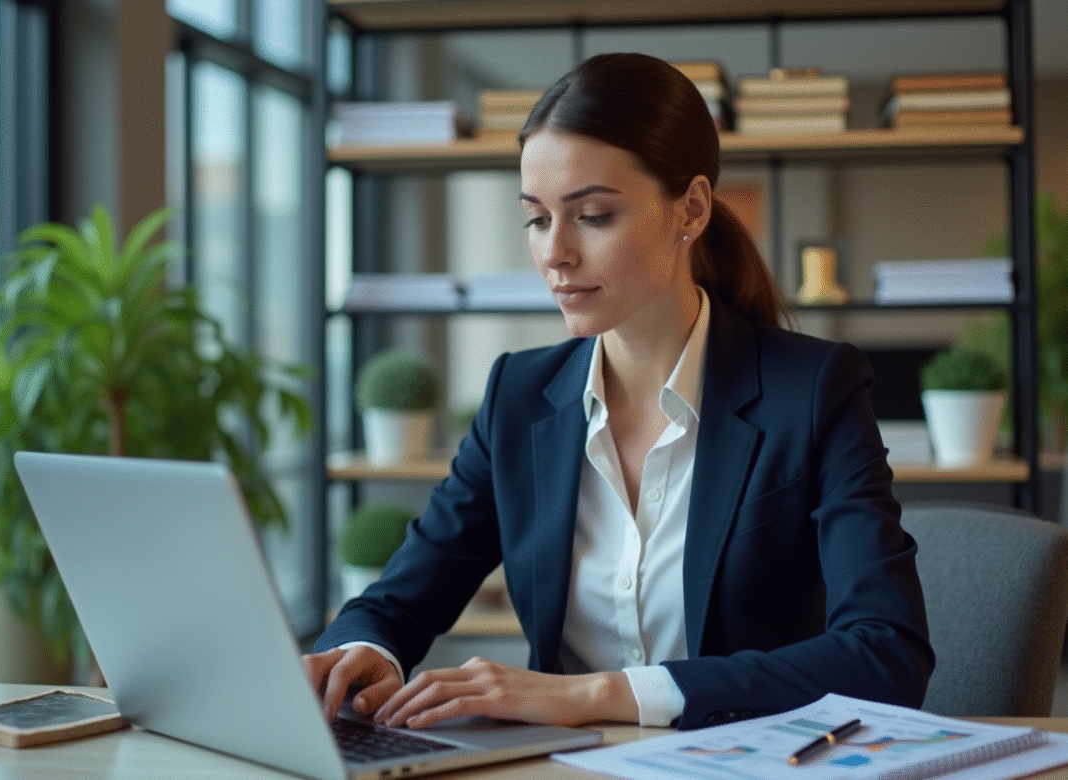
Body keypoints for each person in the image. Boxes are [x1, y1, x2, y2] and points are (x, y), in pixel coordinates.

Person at [306, 52, 933, 731]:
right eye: (538, 218)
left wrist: (597, 694)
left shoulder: (811, 390)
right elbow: (399, 600)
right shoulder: (519, 396)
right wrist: (360, 652)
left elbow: (886, 655)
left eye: (593, 215)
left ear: (689, 208)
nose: (555, 253)